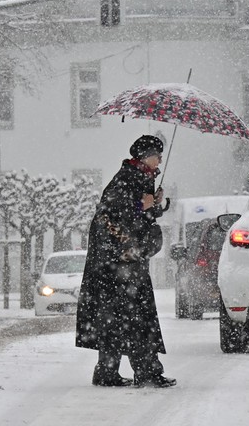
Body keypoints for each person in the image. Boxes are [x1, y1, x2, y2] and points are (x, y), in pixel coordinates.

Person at [75, 135, 176, 388]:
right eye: (157, 154)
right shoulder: (127, 178)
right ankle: (145, 372)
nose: (160, 159)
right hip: (118, 263)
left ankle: (109, 372)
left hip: (123, 262)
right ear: (144, 157)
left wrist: (154, 205)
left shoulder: (140, 178)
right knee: (135, 317)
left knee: (120, 318)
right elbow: (111, 214)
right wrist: (141, 204)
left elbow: (136, 218)